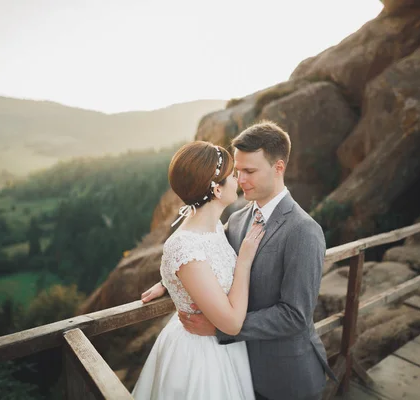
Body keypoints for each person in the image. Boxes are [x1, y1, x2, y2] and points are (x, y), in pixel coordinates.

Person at [142, 121, 335, 400]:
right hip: (238, 371)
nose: (241, 180)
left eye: (250, 171)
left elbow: (296, 315)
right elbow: (203, 257)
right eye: (237, 171)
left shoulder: (303, 231)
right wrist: (170, 279)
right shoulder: (237, 219)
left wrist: (219, 329)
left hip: (286, 378)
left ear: (278, 168)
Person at [132, 141, 265, 400]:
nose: (237, 178)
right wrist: (244, 261)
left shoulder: (213, 226)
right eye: (230, 175)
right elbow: (233, 323)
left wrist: (169, 282)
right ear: (216, 189)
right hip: (200, 356)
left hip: (224, 349)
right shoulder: (185, 247)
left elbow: (202, 268)